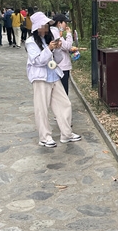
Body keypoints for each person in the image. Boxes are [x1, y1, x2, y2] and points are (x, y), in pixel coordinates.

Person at [25, 11, 81, 148]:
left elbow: (58, 60)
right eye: (43, 25)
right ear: (37, 27)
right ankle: (45, 137)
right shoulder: (30, 42)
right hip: (40, 78)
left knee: (65, 104)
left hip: (54, 75)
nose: (46, 28)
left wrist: (57, 49)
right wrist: (49, 48)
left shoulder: (48, 39)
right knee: (42, 108)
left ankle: (66, 133)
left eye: (47, 25)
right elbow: (38, 61)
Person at [50, 14, 73, 95]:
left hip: (58, 65)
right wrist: (69, 34)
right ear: (59, 23)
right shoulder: (55, 33)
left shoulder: (54, 32)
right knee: (63, 92)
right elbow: (67, 46)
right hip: (62, 66)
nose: (66, 25)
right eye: (65, 22)